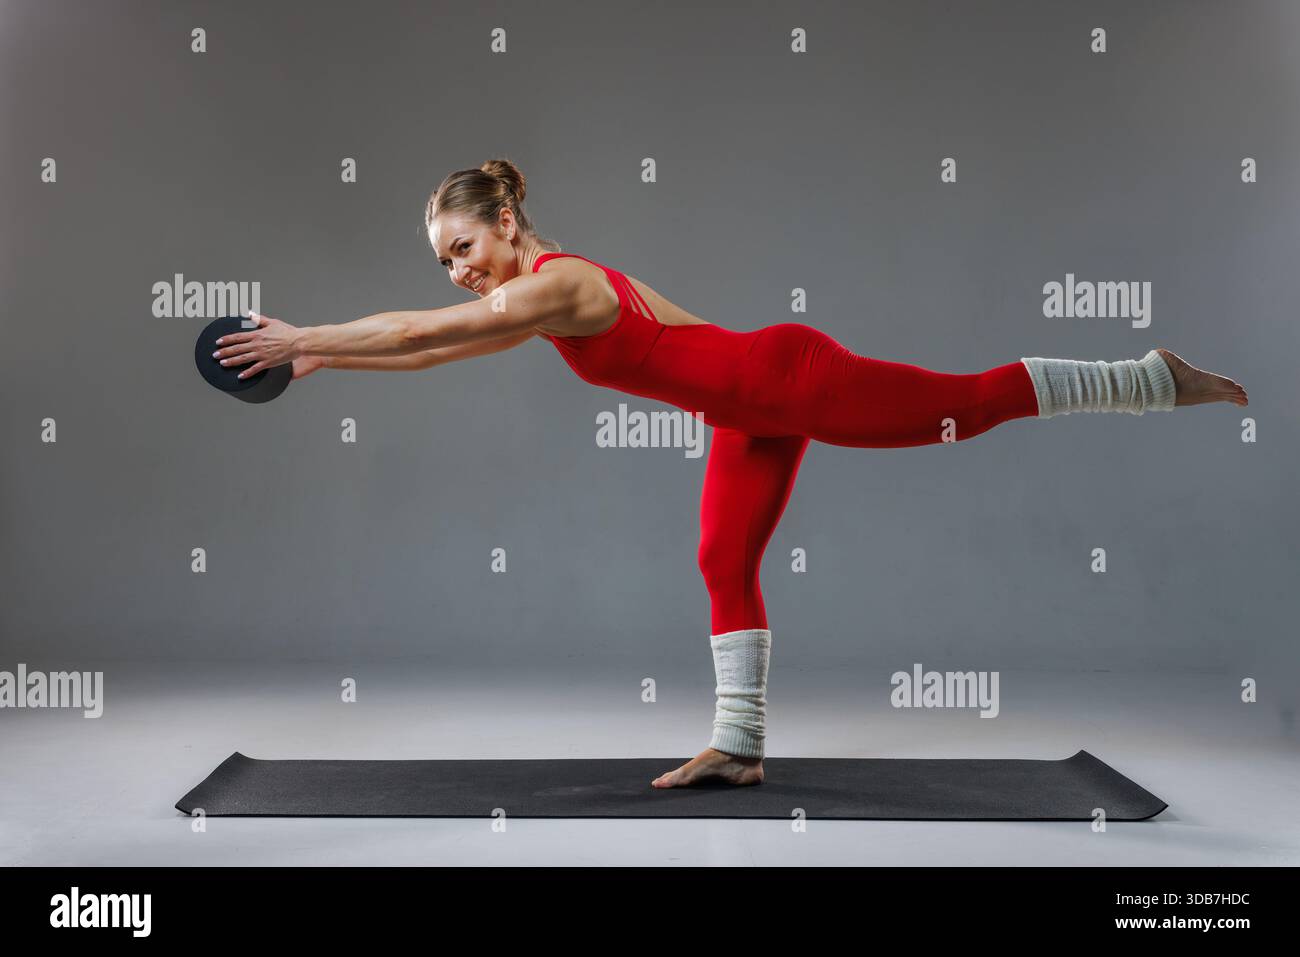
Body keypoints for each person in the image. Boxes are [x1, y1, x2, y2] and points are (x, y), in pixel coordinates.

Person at [211, 158, 1250, 789]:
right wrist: (316, 358)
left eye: (460, 245)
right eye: (443, 257)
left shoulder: (555, 284)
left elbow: (419, 327)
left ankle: (1147, 377)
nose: (454, 269)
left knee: (965, 408)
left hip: (785, 378)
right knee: (719, 556)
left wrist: (314, 328)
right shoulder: (530, 296)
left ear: (507, 224)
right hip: (743, 409)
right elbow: (434, 346)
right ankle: (737, 748)